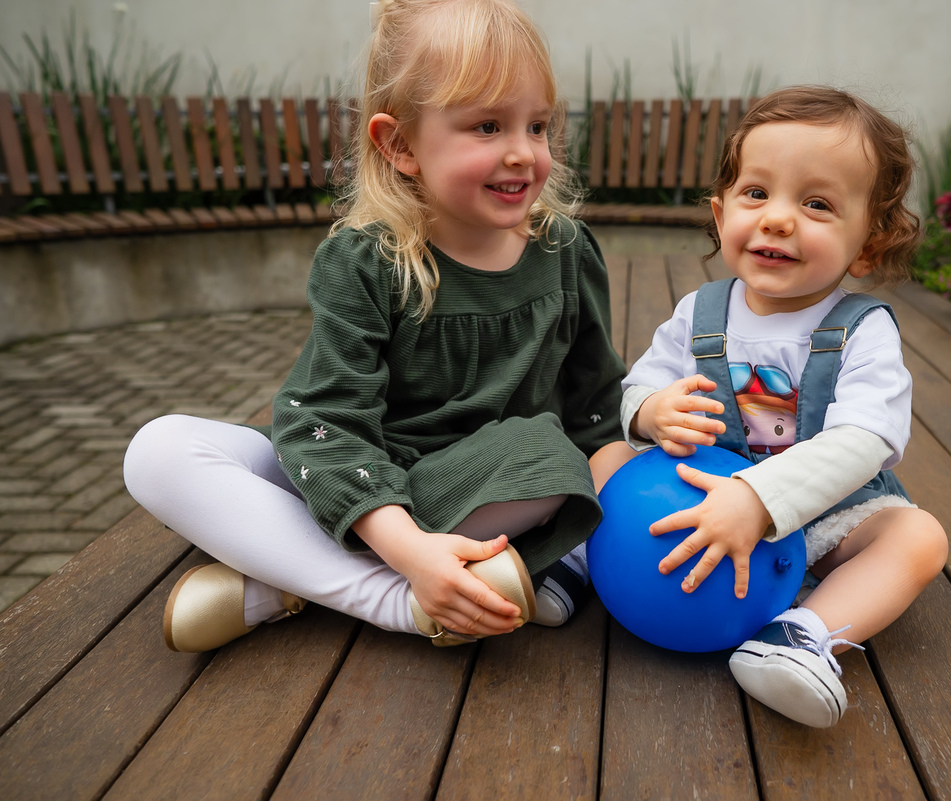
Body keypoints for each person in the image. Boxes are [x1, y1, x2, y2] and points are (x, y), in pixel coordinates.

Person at [124, 0, 633, 653]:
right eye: (487, 126)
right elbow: (326, 424)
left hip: (483, 485)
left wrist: (627, 522)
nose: (522, 153)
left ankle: (284, 579)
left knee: (552, 456)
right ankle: (398, 599)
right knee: (159, 450)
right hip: (351, 466)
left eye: (537, 126)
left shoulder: (565, 251)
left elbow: (595, 417)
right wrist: (409, 551)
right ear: (400, 145)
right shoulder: (367, 261)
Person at [620, 86, 948, 727]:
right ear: (721, 215)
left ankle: (803, 635)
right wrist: (651, 410)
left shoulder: (862, 329)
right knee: (606, 456)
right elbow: (639, 385)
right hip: (699, 498)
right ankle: (583, 565)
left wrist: (759, 500)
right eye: (756, 193)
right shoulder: (699, 312)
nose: (777, 218)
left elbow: (867, 437)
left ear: (868, 244)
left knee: (918, 538)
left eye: (817, 203)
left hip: (829, 517)